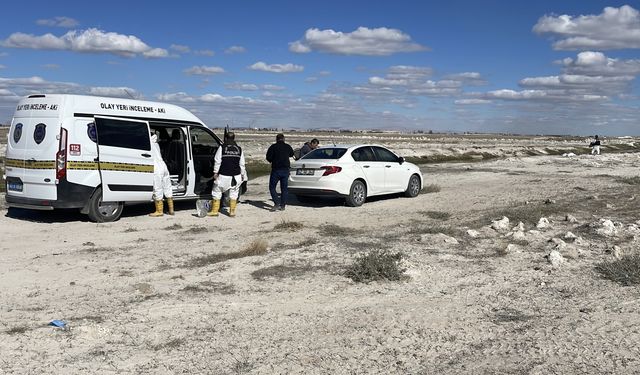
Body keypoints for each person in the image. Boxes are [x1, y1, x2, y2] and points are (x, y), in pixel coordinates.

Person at [208, 131, 246, 217]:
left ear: (226, 138)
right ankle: (232, 212)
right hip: (236, 176)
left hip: (224, 175)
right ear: (234, 138)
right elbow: (242, 164)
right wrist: (242, 174)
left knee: (216, 191)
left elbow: (217, 161)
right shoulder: (239, 149)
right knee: (234, 193)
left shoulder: (222, 148)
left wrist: (215, 172)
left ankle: (215, 211)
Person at [266, 133, 294, 211]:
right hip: (285, 170)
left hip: (276, 170)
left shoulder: (273, 147)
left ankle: (276, 203)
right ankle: (283, 206)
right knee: (284, 189)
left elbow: (268, 157)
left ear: (276, 139)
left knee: (272, 187)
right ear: (284, 139)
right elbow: (292, 154)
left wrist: (273, 160)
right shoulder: (288, 146)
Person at [149, 131, 174, 217]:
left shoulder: (149, 144)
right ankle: (171, 209)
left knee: (158, 188)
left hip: (156, 167)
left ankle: (159, 211)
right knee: (167, 186)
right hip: (163, 166)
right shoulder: (156, 144)